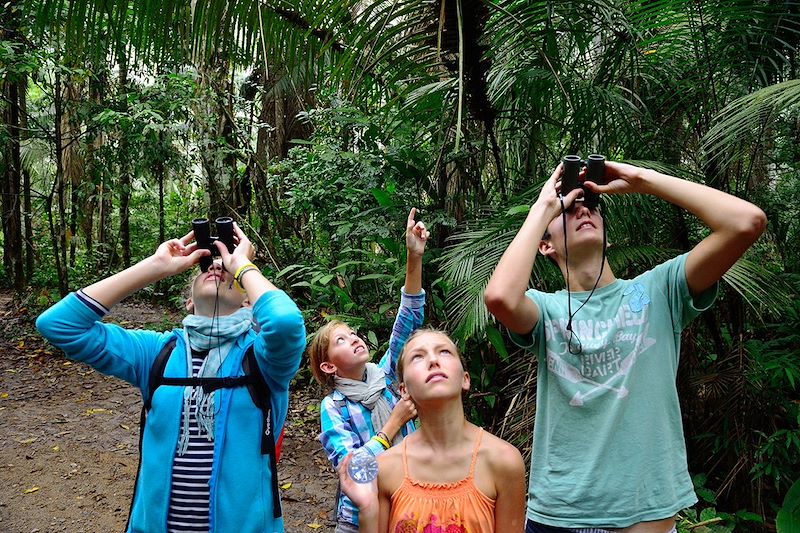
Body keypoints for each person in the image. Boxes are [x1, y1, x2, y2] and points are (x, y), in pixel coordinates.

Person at [483, 160, 767, 533]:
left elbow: (747, 222)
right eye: (570, 208)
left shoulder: (659, 290)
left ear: (608, 239)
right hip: (558, 515)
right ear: (545, 245)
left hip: (643, 516)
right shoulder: (545, 309)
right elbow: (500, 297)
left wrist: (642, 180)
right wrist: (544, 206)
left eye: (592, 207)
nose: (584, 208)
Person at [35, 222, 306, 533]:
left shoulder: (262, 359)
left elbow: (284, 321)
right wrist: (154, 267)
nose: (218, 268)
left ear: (249, 302)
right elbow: (58, 324)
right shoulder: (156, 353)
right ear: (189, 301)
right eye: (207, 269)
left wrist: (243, 265)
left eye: (229, 274)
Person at [338, 328, 527, 533]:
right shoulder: (386, 468)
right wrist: (367, 509)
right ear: (404, 390)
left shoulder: (504, 460)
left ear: (465, 378)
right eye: (417, 357)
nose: (433, 361)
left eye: (444, 352)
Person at [309, 208, 427, 533]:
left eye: (353, 333)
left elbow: (409, 318)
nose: (355, 339)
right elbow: (351, 471)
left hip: (411, 505)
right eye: (341, 340)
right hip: (360, 520)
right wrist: (393, 424)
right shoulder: (333, 407)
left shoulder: (386, 374)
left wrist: (413, 257)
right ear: (329, 365)